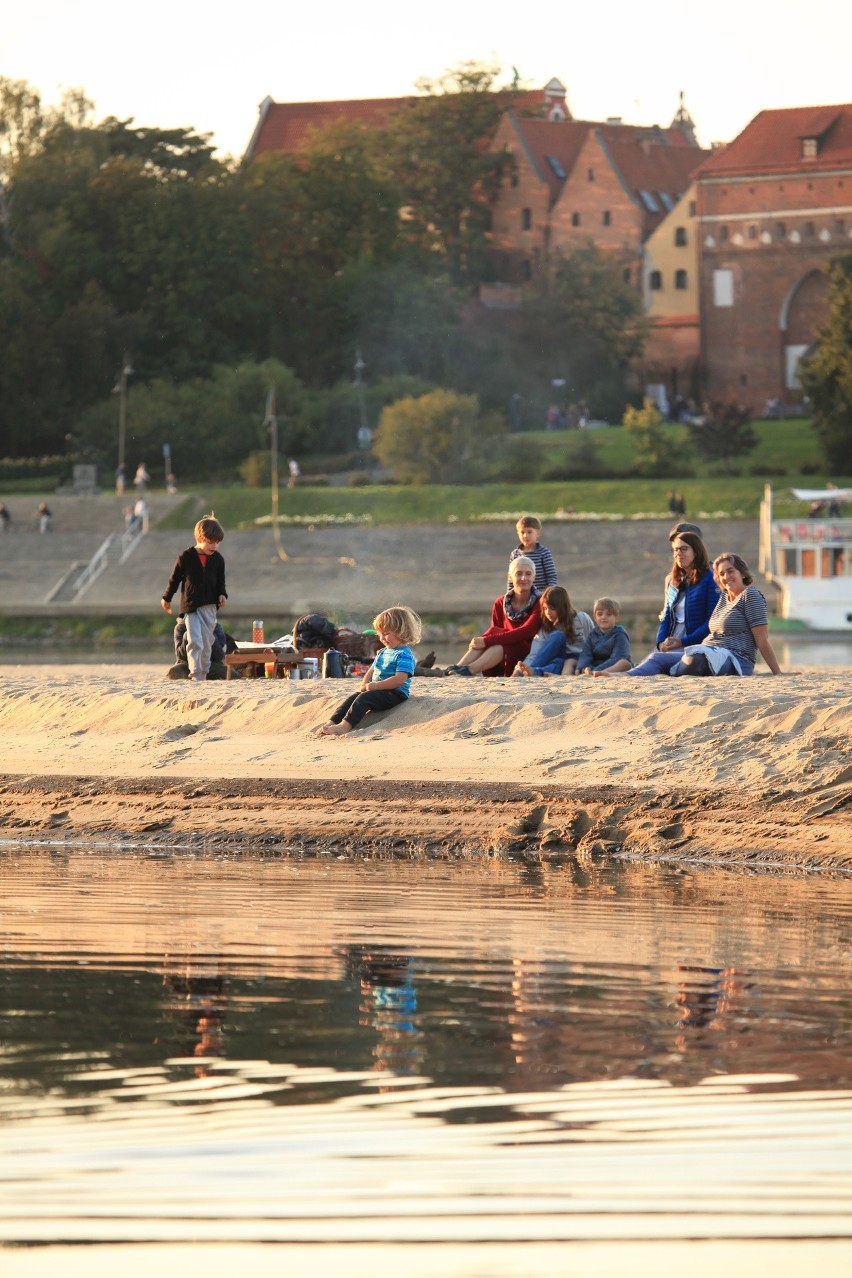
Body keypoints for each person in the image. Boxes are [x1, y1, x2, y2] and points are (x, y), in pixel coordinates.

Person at [627, 553, 784, 677]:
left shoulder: (750, 595)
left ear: (742, 573)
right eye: (721, 574)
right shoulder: (723, 598)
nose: (726, 577)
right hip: (709, 650)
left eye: (730, 571)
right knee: (658, 658)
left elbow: (762, 640)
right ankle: (624, 676)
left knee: (695, 659)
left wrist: (777, 673)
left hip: (736, 658)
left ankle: (670, 672)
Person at [317, 605, 421, 737]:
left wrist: (375, 686)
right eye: (380, 634)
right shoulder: (383, 651)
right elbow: (371, 670)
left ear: (401, 631)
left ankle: (344, 726)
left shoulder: (404, 654)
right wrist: (364, 684)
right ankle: (331, 722)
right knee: (353, 697)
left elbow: (399, 679)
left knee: (364, 698)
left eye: (386, 633)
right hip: (378, 690)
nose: (382, 638)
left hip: (394, 694)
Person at [445, 556, 541, 677]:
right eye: (518, 574)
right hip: (501, 653)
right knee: (496, 637)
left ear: (534, 577)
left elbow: (527, 631)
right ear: (510, 577)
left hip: (527, 655)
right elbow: (496, 632)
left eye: (528, 574)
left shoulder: (541, 602)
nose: (523, 578)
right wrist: (484, 641)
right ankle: (458, 667)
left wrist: (485, 640)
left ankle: (470, 670)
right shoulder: (500, 603)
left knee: (497, 641)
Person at [160, 515, 227, 682]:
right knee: (195, 640)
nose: (215, 546)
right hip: (191, 606)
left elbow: (221, 581)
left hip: (210, 606)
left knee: (207, 640)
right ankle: (197, 674)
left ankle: (204, 672)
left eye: (217, 542)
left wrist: (222, 595)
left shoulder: (218, 559)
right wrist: (166, 598)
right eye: (211, 542)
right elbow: (174, 579)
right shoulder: (186, 557)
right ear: (199, 538)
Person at [640, 528, 721, 664]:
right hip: (672, 640)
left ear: (696, 550)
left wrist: (684, 641)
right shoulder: (673, 581)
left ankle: (622, 674)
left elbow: (712, 621)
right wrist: (660, 642)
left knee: (655, 661)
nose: (678, 553)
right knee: (650, 661)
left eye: (683, 549)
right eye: (675, 550)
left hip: (695, 642)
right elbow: (666, 617)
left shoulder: (710, 578)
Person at [513, 586, 593, 677]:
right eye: (545, 608)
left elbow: (592, 642)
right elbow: (534, 654)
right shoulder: (546, 627)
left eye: (552, 608)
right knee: (557, 649)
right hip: (561, 660)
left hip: (579, 660)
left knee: (559, 659)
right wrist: (520, 669)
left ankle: (533, 671)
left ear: (562, 607)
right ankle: (527, 672)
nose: (548, 613)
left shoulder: (581, 618)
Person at [577, 597, 632, 675]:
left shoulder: (620, 634)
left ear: (617, 618)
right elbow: (586, 653)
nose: (603, 617)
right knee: (576, 661)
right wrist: (581, 667)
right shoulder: (593, 634)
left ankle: (600, 673)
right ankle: (592, 672)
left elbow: (618, 657)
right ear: (595, 618)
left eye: (609, 614)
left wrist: (597, 669)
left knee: (624, 663)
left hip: (613, 665)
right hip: (596, 665)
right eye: (600, 614)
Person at [168, 616, 233, 680]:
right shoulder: (181, 627)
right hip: (188, 665)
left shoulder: (216, 627)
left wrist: (210, 636)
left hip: (211, 665)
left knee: (232, 674)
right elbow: (180, 655)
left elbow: (219, 656)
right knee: (174, 671)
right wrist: (188, 636)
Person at [508, 515, 557, 590]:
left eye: (529, 532)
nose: (525, 535)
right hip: (521, 597)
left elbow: (552, 577)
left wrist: (548, 594)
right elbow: (511, 579)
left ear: (538, 533)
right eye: (522, 532)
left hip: (540, 597)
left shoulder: (544, 553)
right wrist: (509, 596)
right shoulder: (515, 554)